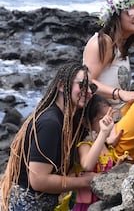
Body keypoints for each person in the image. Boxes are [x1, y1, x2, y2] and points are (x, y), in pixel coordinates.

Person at [1, 62, 97, 211]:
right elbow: (39, 180)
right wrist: (84, 182)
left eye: (92, 87)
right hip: (27, 205)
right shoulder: (50, 124)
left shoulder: (69, 120)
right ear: (60, 85)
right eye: (82, 84)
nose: (89, 91)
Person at [72, 95, 128, 211]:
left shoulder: (106, 145)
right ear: (85, 122)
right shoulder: (84, 145)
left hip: (106, 203)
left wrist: (118, 167)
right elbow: (87, 165)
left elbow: (107, 175)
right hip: (87, 205)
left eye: (110, 117)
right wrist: (103, 132)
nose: (107, 122)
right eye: (102, 119)